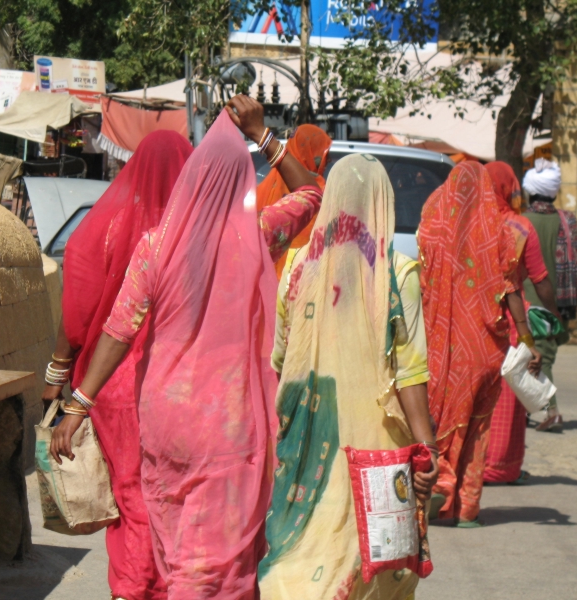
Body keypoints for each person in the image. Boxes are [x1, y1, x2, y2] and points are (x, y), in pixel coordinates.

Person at [50, 95, 322, 599]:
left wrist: (77, 405)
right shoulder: (259, 235)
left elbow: (118, 330)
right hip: (228, 423)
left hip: (166, 420)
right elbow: (312, 192)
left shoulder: (156, 245)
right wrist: (262, 136)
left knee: (175, 546)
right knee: (217, 560)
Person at [258, 154, 439, 600]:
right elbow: (410, 372)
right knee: (374, 560)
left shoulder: (298, 268)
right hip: (378, 449)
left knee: (300, 546)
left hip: (307, 437)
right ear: (384, 202)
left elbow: (280, 359)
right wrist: (427, 447)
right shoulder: (399, 273)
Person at [42, 130, 193, 600]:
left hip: (113, 387)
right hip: (185, 389)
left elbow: (77, 318)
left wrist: (59, 377)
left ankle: (131, 589)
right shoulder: (199, 236)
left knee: (131, 498)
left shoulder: (103, 228)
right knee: (177, 500)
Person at [417, 162, 541, 527]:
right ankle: (467, 509)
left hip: (442, 346)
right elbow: (512, 289)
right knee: (477, 425)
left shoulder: (433, 226)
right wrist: (528, 339)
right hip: (487, 347)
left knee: (442, 419)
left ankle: (441, 495)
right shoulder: (499, 233)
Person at [481, 162, 561, 485]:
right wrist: (553, 315)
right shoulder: (518, 227)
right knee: (508, 396)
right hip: (511, 320)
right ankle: (500, 466)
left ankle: (468, 463)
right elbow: (539, 279)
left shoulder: (471, 225)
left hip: (472, 320)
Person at [522, 158, 577, 432]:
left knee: (535, 361)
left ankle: (551, 411)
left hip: (528, 305)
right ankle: (524, 411)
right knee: (540, 358)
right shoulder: (568, 221)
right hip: (559, 303)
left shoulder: (521, 222)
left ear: (529, 192)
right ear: (554, 192)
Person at [256, 124, 332, 278]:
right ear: (310, 153)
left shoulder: (264, 186)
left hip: (266, 284)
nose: (328, 159)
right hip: (302, 285)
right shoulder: (320, 192)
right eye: (324, 153)